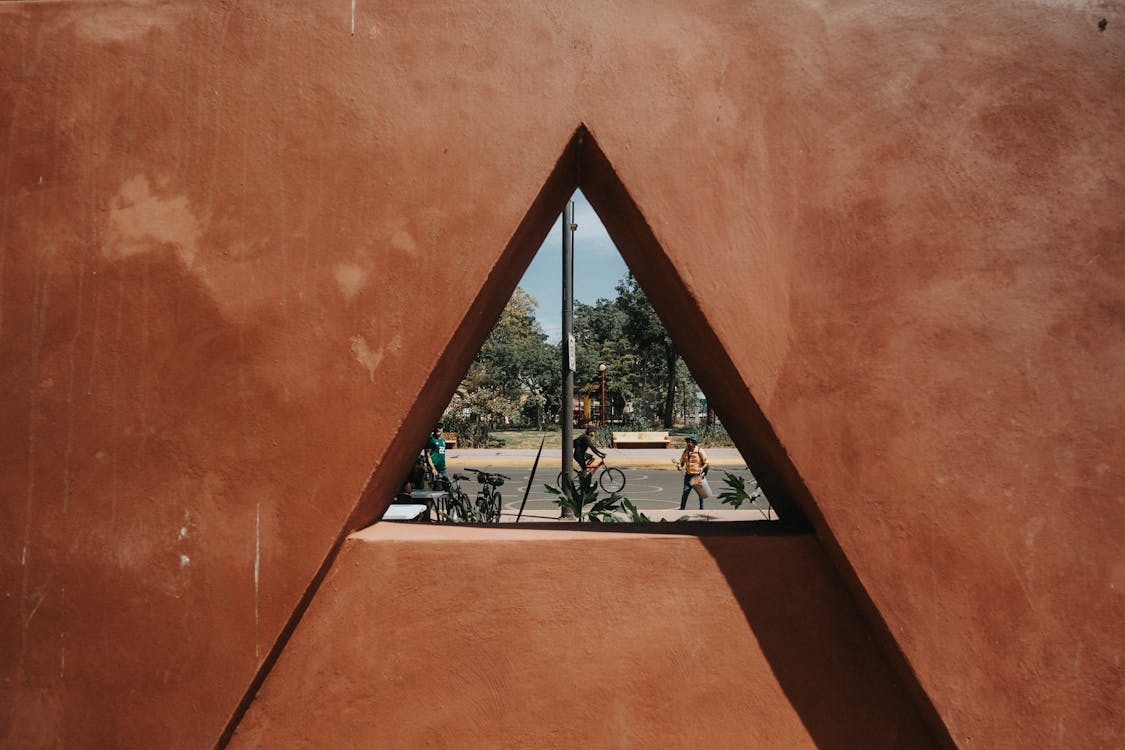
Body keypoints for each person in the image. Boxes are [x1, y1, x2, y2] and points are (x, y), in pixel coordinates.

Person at [678, 434, 709, 510]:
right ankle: (682, 508)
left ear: (694, 443)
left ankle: (702, 508)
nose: (688, 443)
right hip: (688, 475)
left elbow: (706, 462)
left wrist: (702, 468)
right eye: (687, 442)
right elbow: (682, 461)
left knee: (700, 493)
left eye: (690, 442)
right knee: (685, 491)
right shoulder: (686, 451)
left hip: (696, 475)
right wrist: (680, 467)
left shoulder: (699, 451)